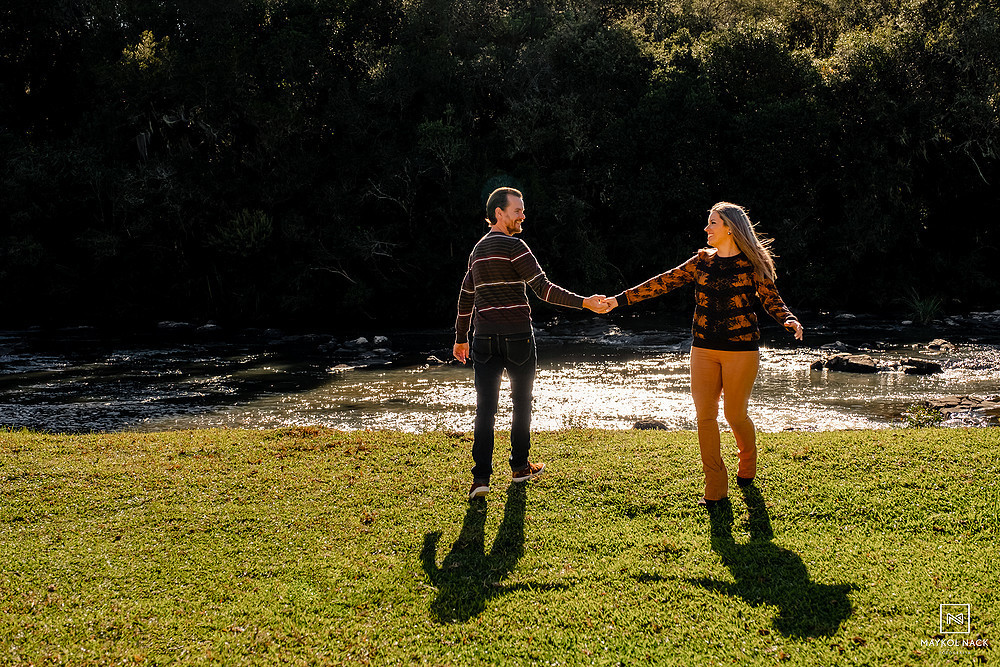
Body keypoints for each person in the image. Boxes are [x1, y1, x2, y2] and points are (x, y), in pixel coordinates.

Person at [603, 202, 803, 505]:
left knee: (735, 415)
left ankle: (747, 462)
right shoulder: (700, 262)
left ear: (730, 228)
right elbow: (663, 282)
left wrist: (788, 319)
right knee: (705, 417)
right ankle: (715, 488)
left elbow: (772, 300)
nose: (706, 229)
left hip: (741, 350)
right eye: (708, 223)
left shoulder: (753, 266)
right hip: (703, 349)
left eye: (713, 223)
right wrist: (620, 300)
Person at [454, 187, 610, 501]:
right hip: (517, 337)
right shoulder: (516, 247)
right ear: (498, 213)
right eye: (517, 211)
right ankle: (519, 467)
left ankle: (480, 479)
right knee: (521, 403)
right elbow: (543, 289)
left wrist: (460, 338)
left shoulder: (477, 251)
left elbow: (465, 297)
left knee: (485, 409)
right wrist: (585, 303)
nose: (523, 216)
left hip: (483, 338)